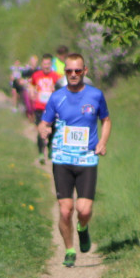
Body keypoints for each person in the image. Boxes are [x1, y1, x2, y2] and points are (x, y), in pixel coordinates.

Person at [38, 53, 111, 267]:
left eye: (77, 70)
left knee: (84, 210)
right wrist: (44, 130)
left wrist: (103, 142)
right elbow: (44, 123)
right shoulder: (56, 97)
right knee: (65, 209)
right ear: (64, 72)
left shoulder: (96, 95)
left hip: (87, 159)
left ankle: (82, 227)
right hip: (62, 158)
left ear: (84, 71)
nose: (73, 74)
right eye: (69, 71)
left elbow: (106, 121)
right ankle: (69, 249)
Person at [29, 53, 61, 163]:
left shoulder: (56, 77)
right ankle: (41, 152)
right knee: (40, 129)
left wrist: (55, 91)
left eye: (48, 64)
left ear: (51, 64)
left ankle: (50, 148)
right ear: (41, 64)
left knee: (52, 129)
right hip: (39, 106)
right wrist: (32, 92)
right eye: (44, 64)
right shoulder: (36, 75)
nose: (46, 66)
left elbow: (62, 90)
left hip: (53, 107)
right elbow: (32, 84)